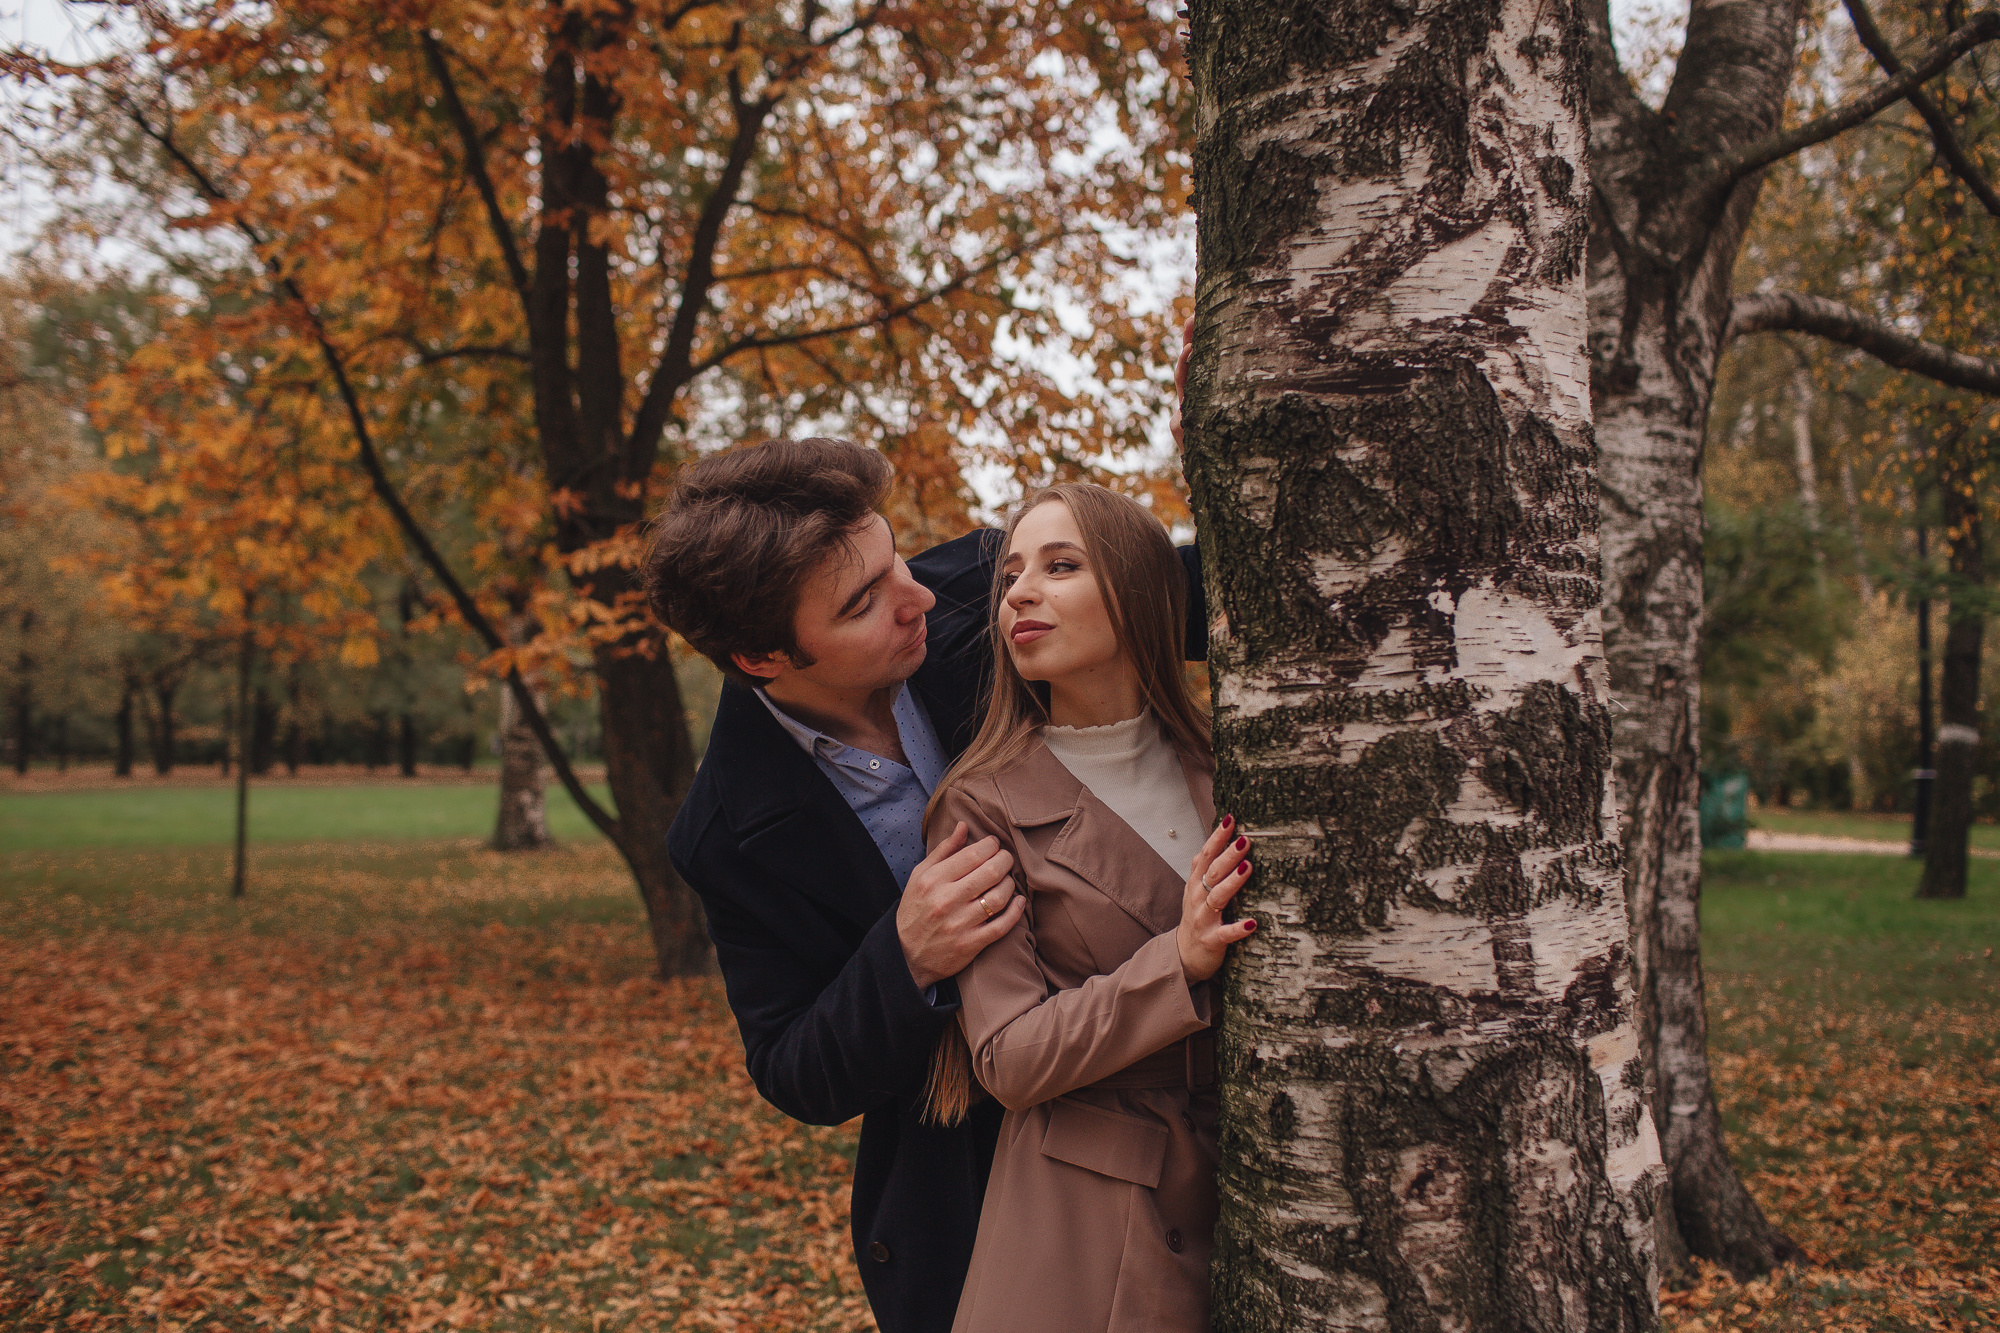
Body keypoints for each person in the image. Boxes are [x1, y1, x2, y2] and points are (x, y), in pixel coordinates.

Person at [642, 439, 1205, 1333]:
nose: (923, 599)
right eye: (864, 603)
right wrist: (905, 958)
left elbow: (1166, 594)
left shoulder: (987, 589)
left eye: (894, 555)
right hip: (978, 1190)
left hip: (1187, 1111)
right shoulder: (725, 834)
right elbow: (796, 1070)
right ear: (763, 659)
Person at [920, 483, 1255, 1333]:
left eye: (1061, 566)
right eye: (1012, 577)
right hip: (1086, 1214)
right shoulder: (982, 804)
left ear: (1140, 591)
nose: (1020, 592)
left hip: (1259, 1185)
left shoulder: (1234, 762)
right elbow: (1007, 1056)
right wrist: (1174, 961)